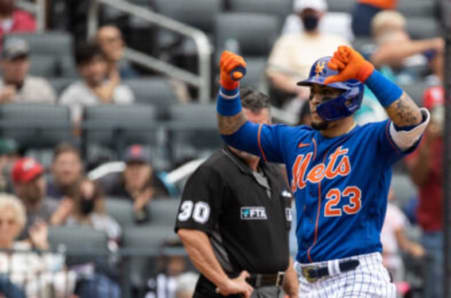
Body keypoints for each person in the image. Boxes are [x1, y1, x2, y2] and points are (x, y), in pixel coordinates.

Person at [216, 45, 430, 297]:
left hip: (357, 275)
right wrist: (228, 90)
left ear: (350, 97)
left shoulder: (372, 139)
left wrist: (366, 72)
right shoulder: (294, 140)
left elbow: (412, 121)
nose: (315, 99)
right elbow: (234, 132)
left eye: (327, 92)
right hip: (308, 281)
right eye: (313, 91)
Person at [175, 88, 299, 298]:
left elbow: (278, 247)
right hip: (230, 291)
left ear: (269, 128)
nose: (249, 137)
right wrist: (223, 281)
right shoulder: (213, 171)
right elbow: (190, 232)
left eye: (257, 129)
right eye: (244, 128)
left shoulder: (276, 174)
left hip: (271, 291)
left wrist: (294, 291)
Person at [405, 86, 451, 298]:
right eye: (435, 112)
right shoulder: (420, 141)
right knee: (435, 288)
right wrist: (429, 139)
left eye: (444, 111)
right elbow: (417, 178)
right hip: (434, 225)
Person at [266, 0, 349, 115]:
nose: (310, 16)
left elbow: (351, 71)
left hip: (335, 92)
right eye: (306, 13)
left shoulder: (338, 41)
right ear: (298, 15)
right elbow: (275, 75)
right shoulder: (286, 41)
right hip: (300, 97)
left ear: (322, 14)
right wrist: (300, 89)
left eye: (313, 13)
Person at [0, 193, 76, 298]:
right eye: (0, 222)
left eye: (11, 222)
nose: (5, 227)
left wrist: (42, 245)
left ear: (19, 224)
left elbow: (59, 272)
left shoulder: (25, 249)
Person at [59, 41, 134, 126]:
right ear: (78, 68)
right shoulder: (71, 94)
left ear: (105, 64)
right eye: (86, 64)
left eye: (97, 62)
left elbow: (129, 125)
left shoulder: (121, 91)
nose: (93, 69)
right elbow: (71, 130)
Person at [98, 144, 170, 223]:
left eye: (140, 165)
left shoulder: (159, 186)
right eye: (131, 165)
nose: (135, 171)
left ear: (149, 169)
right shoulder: (113, 188)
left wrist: (152, 195)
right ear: (124, 170)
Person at [380, 188, 424, 283]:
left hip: (375, 261)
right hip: (389, 261)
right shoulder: (393, 212)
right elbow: (402, 242)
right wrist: (413, 248)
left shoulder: (364, 210)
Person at [11, 157, 60, 239]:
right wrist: (53, 224)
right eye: (32, 180)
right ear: (18, 186)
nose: (38, 184)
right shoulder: (10, 213)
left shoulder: (57, 207)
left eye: (39, 177)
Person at [0, 37, 56, 104]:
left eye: (22, 61)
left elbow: (57, 112)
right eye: (14, 61)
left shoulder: (41, 88)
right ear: (2, 63)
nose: (19, 67)